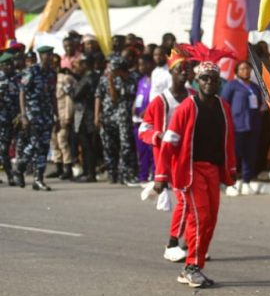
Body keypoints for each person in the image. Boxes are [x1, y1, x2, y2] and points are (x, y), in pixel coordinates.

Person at [153, 60, 237, 288]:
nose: (209, 82)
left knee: (210, 219)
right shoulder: (186, 108)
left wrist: (231, 169)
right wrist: (161, 176)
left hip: (212, 170)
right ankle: (191, 267)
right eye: (204, 78)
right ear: (197, 81)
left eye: (213, 78)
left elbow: (228, 141)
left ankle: (194, 266)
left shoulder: (223, 107)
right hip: (190, 171)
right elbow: (169, 143)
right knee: (199, 218)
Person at [140, 50, 195, 262]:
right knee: (184, 201)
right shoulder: (160, 101)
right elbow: (143, 128)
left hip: (191, 157)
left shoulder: (194, 98)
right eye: (180, 69)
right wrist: (158, 135)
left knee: (194, 202)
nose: (184, 73)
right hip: (169, 159)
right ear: (171, 72)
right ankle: (172, 244)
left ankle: (191, 242)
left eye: (187, 70)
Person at [220, 60, 264, 195]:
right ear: (237, 72)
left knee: (250, 155)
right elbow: (224, 103)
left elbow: (260, 104)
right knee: (235, 155)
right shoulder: (231, 85)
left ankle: (246, 182)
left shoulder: (255, 87)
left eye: (248, 68)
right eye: (242, 69)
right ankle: (231, 182)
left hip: (253, 125)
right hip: (237, 126)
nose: (246, 71)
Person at [18, 45, 58, 190]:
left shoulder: (52, 73)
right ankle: (21, 165)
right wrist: (23, 115)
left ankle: (38, 179)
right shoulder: (31, 71)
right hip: (33, 113)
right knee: (35, 144)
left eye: (50, 54)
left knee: (44, 146)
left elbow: (53, 95)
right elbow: (22, 93)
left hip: (46, 114)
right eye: (46, 55)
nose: (49, 57)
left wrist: (56, 114)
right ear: (40, 56)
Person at [96, 55, 139, 185]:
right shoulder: (105, 79)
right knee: (109, 145)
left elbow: (117, 97)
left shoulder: (133, 79)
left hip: (124, 117)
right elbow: (98, 96)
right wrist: (96, 115)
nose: (110, 70)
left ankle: (123, 173)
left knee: (125, 145)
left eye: (113, 68)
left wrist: (112, 81)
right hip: (108, 117)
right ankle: (111, 172)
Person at [70, 55, 101, 182]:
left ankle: (89, 173)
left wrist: (69, 88)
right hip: (93, 113)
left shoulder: (87, 78)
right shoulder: (97, 77)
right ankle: (88, 171)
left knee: (87, 146)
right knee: (90, 145)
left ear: (86, 65)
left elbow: (75, 95)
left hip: (85, 115)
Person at [49, 57, 78, 181]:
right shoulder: (47, 79)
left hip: (62, 114)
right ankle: (58, 166)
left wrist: (67, 116)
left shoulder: (65, 79)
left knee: (62, 141)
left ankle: (67, 168)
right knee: (53, 141)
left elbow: (69, 99)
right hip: (50, 115)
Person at [0, 52, 21, 185]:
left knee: (22, 148)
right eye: (4, 65)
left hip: (19, 117)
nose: (7, 67)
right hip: (3, 119)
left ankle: (19, 173)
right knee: (3, 149)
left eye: (9, 64)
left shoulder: (19, 78)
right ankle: (10, 175)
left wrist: (21, 114)